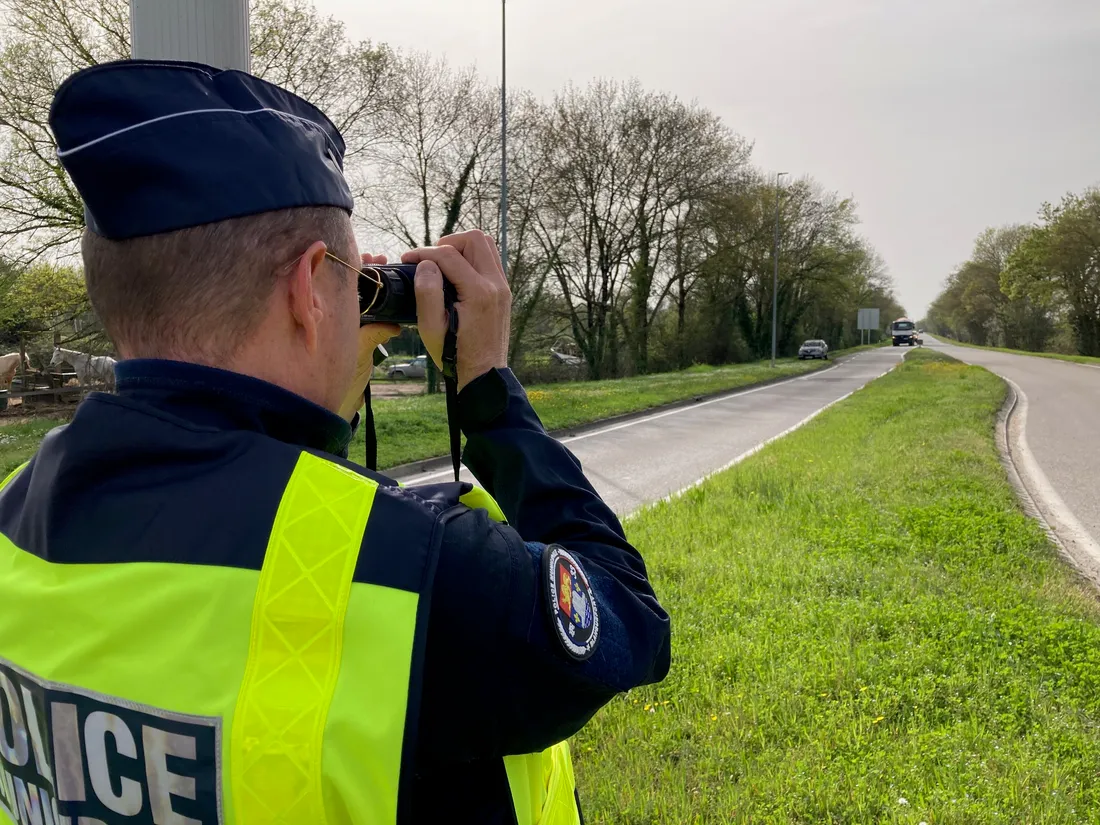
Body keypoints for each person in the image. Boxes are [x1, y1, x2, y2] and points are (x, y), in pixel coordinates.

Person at [0, 59, 670, 825]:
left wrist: (318, 397)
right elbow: (630, 620)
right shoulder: (418, 572)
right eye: (349, 281)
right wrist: (486, 388)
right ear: (309, 288)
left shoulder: (18, 516)